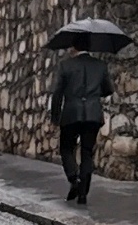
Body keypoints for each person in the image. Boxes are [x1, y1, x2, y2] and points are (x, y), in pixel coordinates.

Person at [48, 43, 112, 204]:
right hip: (92, 113)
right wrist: (94, 92)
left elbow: (57, 93)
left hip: (71, 113)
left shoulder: (66, 65)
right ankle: (83, 194)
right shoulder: (100, 65)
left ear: (74, 48)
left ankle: (73, 178)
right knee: (87, 152)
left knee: (66, 148)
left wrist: (55, 117)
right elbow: (108, 89)